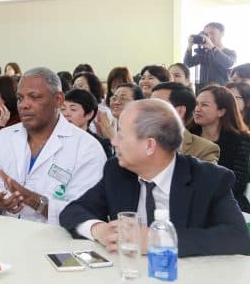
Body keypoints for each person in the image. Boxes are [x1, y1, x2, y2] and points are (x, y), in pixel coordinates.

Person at [59, 99, 250, 257]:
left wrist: (157, 240)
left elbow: (237, 238)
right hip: (128, 275)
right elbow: (74, 210)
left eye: (121, 135)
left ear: (150, 145)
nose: (114, 142)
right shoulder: (117, 171)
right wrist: (99, 230)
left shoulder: (209, 179)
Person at [0, 67, 107, 224]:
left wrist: (32, 199)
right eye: (20, 98)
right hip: (3, 233)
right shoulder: (4, 138)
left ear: (58, 99)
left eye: (34, 97)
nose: (24, 105)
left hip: (58, 238)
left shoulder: (87, 148)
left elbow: (85, 213)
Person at [190, 85, 250, 212]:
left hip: (226, 203)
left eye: (204, 105)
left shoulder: (240, 140)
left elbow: (237, 183)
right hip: (188, 199)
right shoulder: (186, 136)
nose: (197, 109)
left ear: (221, 111)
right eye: (196, 104)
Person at [151, 82, 219, 163]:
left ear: (180, 111)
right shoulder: (140, 140)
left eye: (158, 105)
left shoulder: (204, 149)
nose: (148, 111)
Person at [184, 22, 236, 90]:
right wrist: (189, 47)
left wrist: (212, 47)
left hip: (221, 91)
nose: (209, 37)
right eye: (206, 34)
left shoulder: (230, 52)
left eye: (212, 33)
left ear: (222, 33)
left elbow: (228, 64)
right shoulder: (205, 52)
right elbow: (188, 64)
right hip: (203, 90)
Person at [62, 89, 113, 158]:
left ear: (89, 114)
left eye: (73, 109)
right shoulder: (54, 139)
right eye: (63, 109)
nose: (66, 114)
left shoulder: (101, 144)